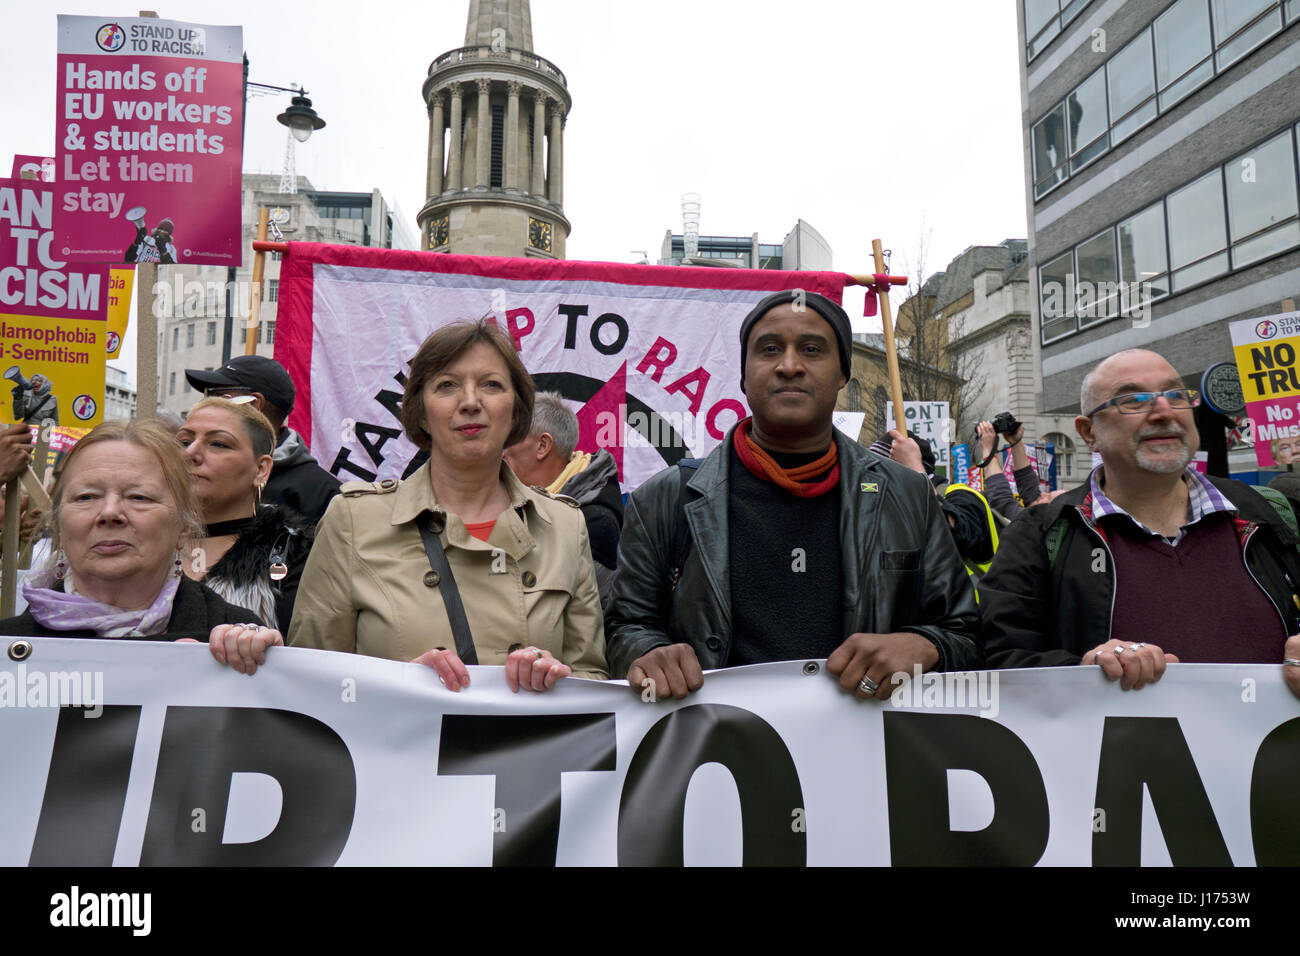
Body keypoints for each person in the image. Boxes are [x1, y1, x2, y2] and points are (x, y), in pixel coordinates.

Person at [605, 290, 979, 700]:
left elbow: (967, 635)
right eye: (769, 349)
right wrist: (648, 652)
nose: (789, 365)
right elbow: (623, 628)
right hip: (712, 753)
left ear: (842, 375)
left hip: (868, 754)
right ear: (744, 376)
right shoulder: (664, 500)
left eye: (812, 349)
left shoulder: (908, 495)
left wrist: (926, 647)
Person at [289, 320, 607, 692]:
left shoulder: (566, 524)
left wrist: (557, 678)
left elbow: (593, 680)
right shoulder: (353, 520)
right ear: (421, 412)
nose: (470, 402)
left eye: (491, 385)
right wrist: (399, 684)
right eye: (447, 385)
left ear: (517, 410)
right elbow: (308, 683)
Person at [979, 348, 1300, 697]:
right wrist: (1081, 670)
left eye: (1177, 395)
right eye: (1133, 400)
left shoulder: (1267, 513)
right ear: (1089, 433)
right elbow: (997, 659)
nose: (1164, 411)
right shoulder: (1040, 535)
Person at [0, 419, 280, 674]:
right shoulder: (8, 651)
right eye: (86, 497)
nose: (109, 513)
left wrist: (268, 663)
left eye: (139, 497)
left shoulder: (232, 637)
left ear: (183, 524)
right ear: (60, 521)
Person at [177, 398, 314, 634]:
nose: (191, 453)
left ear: (261, 470)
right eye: (184, 441)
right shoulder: (136, 541)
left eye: (218, 444)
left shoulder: (297, 555)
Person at [186, 356, 340, 527]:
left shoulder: (322, 494)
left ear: (254, 405)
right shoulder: (191, 472)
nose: (208, 407)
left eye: (220, 398)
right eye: (207, 397)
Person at [503, 391, 623, 609]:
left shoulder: (594, 523)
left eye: (508, 438)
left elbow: (557, 611)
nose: (497, 450)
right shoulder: (509, 503)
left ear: (542, 446)